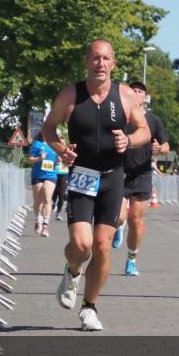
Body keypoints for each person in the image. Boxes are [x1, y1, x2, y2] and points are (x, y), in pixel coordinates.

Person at [41, 39, 151, 332]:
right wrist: (59, 148)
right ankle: (73, 270)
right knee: (81, 244)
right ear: (86, 61)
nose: (100, 64)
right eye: (95, 58)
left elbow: (144, 131)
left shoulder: (126, 96)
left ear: (113, 64)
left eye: (106, 59)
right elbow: (48, 127)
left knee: (103, 246)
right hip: (81, 175)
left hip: (113, 176)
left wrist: (129, 141)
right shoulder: (70, 95)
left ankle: (89, 308)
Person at [115, 81, 170, 275]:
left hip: (142, 173)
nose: (136, 93)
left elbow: (166, 147)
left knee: (136, 220)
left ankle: (131, 260)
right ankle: (118, 227)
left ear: (145, 97)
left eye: (140, 91)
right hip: (119, 171)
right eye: (133, 90)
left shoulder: (153, 120)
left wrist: (159, 149)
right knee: (119, 217)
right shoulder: (120, 117)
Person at [26, 132, 58, 236]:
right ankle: (37, 220)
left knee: (47, 198)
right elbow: (29, 159)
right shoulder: (36, 144)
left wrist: (59, 160)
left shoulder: (55, 145)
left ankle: (45, 226)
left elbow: (59, 159)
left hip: (51, 174)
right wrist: (39, 158)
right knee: (38, 200)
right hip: (37, 175)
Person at [52, 156, 70, 221]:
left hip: (64, 174)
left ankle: (58, 213)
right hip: (54, 173)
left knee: (61, 194)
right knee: (54, 192)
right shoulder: (53, 150)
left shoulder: (66, 151)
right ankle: (54, 202)